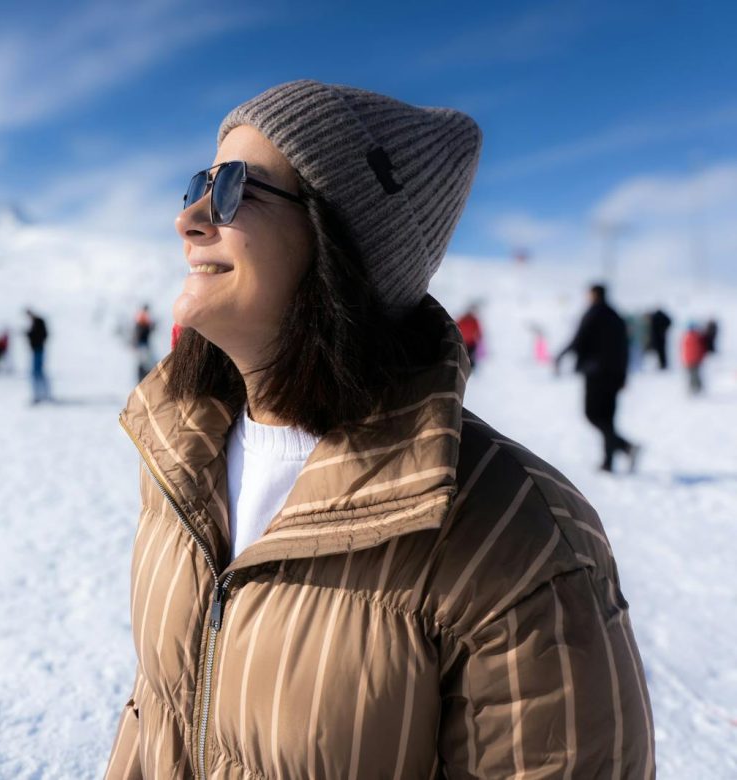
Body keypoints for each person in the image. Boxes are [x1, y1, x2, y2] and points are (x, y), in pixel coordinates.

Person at [106, 81, 653, 780]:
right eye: (200, 182)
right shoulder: (179, 461)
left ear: (341, 246)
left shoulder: (517, 538)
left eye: (236, 186)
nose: (189, 217)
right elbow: (156, 712)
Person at [555, 284, 640, 473]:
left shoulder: (593, 313)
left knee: (592, 414)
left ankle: (624, 448)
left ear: (594, 294)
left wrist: (561, 355)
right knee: (607, 418)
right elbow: (625, 348)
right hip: (615, 375)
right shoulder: (616, 316)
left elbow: (579, 338)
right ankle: (611, 460)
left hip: (596, 374)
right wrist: (624, 375)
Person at [25, 308, 50, 403]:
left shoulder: (38, 322)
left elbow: (42, 335)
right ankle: (41, 394)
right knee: (37, 373)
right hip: (36, 349)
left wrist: (33, 338)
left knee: (37, 373)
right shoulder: (35, 322)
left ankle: (42, 394)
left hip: (38, 349)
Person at [132, 303, 156, 382]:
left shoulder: (141, 317)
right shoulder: (142, 317)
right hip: (142, 344)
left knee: (145, 363)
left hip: (143, 344)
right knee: (146, 363)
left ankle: (143, 380)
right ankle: (143, 380)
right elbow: (142, 331)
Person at [682, 323, 707, 395]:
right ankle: (697, 388)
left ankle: (693, 388)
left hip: (689, 360)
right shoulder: (698, 337)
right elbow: (702, 349)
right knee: (696, 374)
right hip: (696, 359)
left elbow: (684, 350)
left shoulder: (686, 337)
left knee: (692, 375)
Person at [454, 305, 483, 371]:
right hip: (463, 342)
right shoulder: (462, 319)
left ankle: (471, 368)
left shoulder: (474, 321)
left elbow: (479, 331)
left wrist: (480, 338)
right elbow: (455, 327)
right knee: (462, 356)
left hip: (471, 343)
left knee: (470, 356)